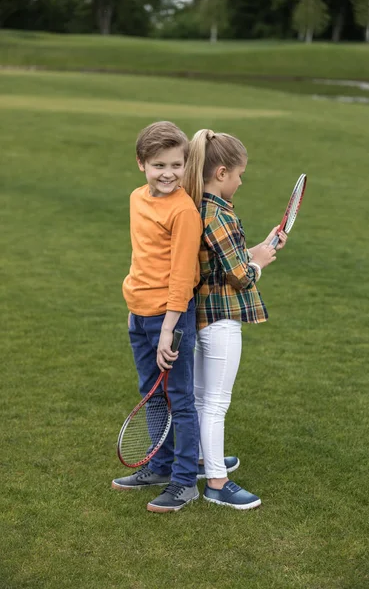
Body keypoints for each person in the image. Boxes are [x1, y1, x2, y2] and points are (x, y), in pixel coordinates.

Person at [184, 129, 287, 510]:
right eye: (240, 173)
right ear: (222, 172)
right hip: (222, 319)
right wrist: (257, 264)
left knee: (199, 398)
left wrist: (259, 248)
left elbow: (223, 261)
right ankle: (216, 482)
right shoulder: (218, 212)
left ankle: (199, 459)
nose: (242, 181)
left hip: (198, 318)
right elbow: (239, 275)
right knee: (216, 404)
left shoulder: (196, 205)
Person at [111, 121, 202, 513]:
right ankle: (159, 467)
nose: (168, 174)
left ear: (186, 165)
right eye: (159, 165)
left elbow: (182, 276)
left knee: (179, 400)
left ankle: (184, 483)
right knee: (151, 396)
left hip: (171, 320)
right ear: (140, 164)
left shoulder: (184, 212)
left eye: (176, 165)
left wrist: (168, 329)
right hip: (139, 313)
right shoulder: (136, 198)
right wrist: (135, 306)